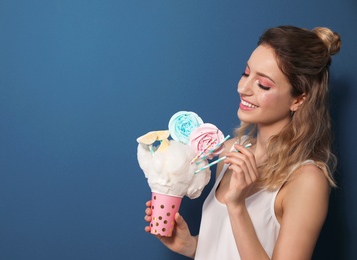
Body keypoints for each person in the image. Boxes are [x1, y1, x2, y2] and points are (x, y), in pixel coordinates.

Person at [144, 25, 341, 259]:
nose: (243, 88)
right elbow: (226, 250)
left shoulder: (306, 180)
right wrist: (190, 245)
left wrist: (237, 207)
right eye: (246, 73)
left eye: (263, 85)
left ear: (298, 99)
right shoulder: (231, 152)